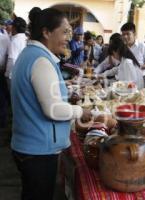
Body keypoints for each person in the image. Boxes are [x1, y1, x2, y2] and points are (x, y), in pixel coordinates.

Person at [10, 7, 91, 200]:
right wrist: (81, 111)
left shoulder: (31, 54)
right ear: (46, 32)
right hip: (38, 150)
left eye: (69, 33)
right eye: (64, 32)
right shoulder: (41, 60)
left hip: (28, 146)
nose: (68, 38)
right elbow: (53, 110)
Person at [5, 17, 27, 89]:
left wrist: (7, 74)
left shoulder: (14, 41)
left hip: (13, 76)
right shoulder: (25, 38)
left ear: (14, 28)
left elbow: (12, 60)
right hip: (23, 75)